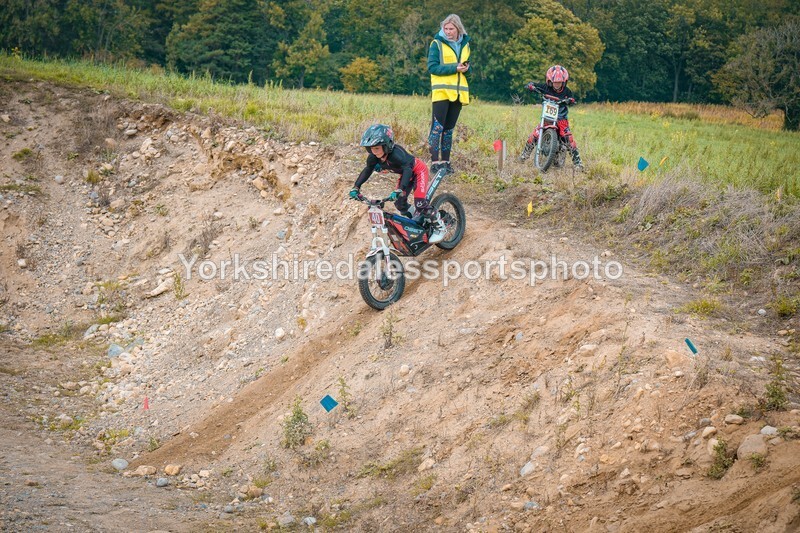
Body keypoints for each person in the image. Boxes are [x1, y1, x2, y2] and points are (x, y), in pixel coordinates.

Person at [349, 124, 447, 244]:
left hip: (417, 171)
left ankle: (439, 227)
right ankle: (419, 221)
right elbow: (367, 170)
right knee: (400, 204)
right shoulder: (373, 158)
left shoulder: (396, 154)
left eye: (376, 148)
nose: (373, 152)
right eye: (370, 149)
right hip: (406, 175)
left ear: (387, 145)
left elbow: (407, 170)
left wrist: (400, 189)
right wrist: (356, 187)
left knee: (420, 203)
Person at [427, 14, 471, 176]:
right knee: (437, 128)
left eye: (451, 29)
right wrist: (454, 68)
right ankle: (434, 163)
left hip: (458, 94)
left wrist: (467, 69)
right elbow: (432, 68)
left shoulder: (465, 45)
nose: (448, 32)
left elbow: (467, 70)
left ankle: (445, 163)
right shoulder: (436, 44)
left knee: (449, 130)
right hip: (441, 92)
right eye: (445, 28)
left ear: (458, 29)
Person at [520, 65, 584, 171]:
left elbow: (572, 99)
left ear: (564, 82)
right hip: (547, 118)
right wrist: (531, 86)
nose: (557, 85)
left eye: (559, 83)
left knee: (568, 138)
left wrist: (571, 100)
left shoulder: (567, 91)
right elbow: (534, 85)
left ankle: (578, 162)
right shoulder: (545, 87)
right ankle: (524, 155)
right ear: (549, 81)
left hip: (561, 118)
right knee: (535, 133)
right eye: (555, 82)